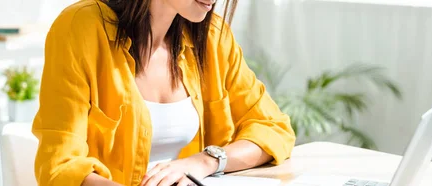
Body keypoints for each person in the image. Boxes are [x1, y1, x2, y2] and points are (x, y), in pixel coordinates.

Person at [32, 0, 296, 185]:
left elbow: (274, 128)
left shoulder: (212, 37)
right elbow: (60, 166)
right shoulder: (81, 27)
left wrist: (205, 161)